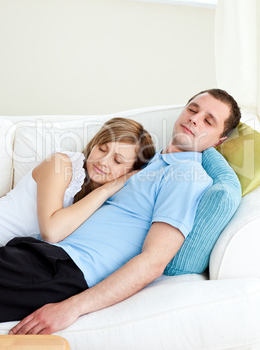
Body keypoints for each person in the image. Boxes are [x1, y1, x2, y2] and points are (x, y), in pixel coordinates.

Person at [6, 89, 241, 335]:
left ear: (219, 140)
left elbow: (154, 261)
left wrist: (72, 307)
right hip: (33, 251)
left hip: (64, 268)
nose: (195, 119)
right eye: (193, 110)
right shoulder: (146, 162)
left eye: (208, 120)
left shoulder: (187, 177)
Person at [0, 117, 155, 246]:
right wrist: (106, 190)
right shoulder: (60, 164)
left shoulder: (115, 200)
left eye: (117, 161)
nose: (103, 161)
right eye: (102, 149)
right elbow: (51, 232)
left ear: (130, 172)